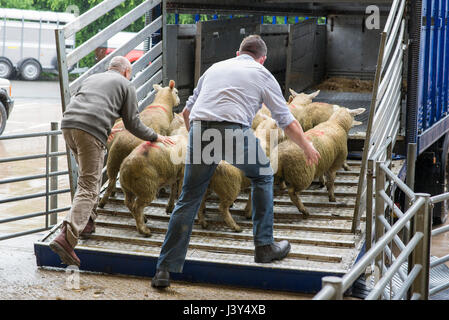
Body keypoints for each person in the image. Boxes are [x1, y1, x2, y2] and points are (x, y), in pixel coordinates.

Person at [151, 35, 320, 288]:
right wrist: (307, 145)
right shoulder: (262, 73)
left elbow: (186, 112)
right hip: (233, 130)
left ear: (237, 51)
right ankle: (264, 246)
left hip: (200, 129)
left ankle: (164, 269)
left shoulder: (214, 68)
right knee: (263, 175)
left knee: (188, 198)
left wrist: (196, 138)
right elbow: (285, 119)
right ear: (262, 59)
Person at [50, 56, 174, 267]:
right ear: (127, 72)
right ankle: (66, 238)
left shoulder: (92, 78)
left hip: (69, 125)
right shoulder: (126, 85)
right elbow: (133, 123)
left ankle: (87, 222)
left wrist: (101, 127)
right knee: (89, 186)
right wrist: (155, 137)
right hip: (90, 131)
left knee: (87, 179)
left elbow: (83, 103)